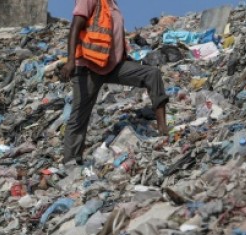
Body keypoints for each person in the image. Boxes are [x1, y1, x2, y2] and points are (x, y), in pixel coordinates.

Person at [60, 0, 169, 165]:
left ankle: (162, 129)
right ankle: (71, 162)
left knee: (151, 74)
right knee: (79, 116)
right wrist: (70, 61)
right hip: (89, 66)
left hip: (112, 65)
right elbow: (75, 27)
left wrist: (126, 58)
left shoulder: (113, 5)